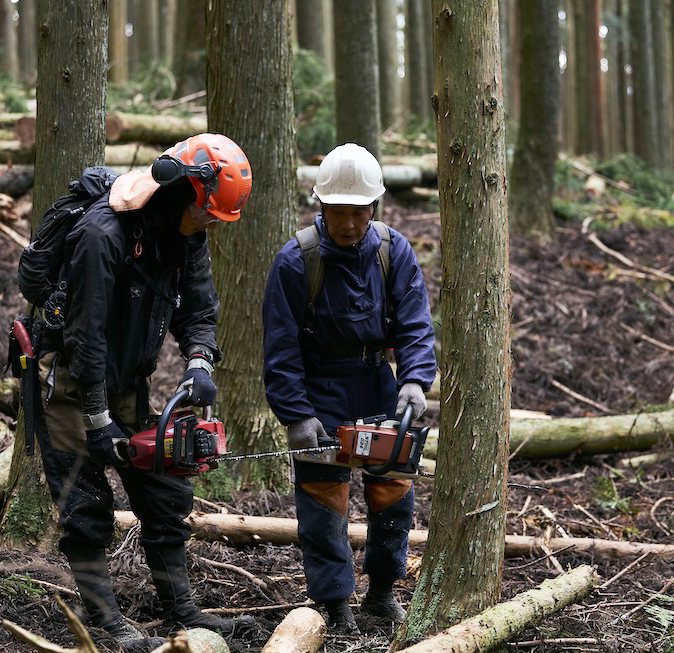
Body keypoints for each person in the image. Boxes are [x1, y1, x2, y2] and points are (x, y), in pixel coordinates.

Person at [32, 133, 256, 652]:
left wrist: (199, 360)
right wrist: (96, 418)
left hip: (128, 382)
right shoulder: (103, 234)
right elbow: (84, 335)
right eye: (205, 214)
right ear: (181, 193)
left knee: (165, 489)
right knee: (85, 504)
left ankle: (180, 607)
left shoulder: (186, 235)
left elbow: (198, 308)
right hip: (70, 380)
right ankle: (105, 619)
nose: (207, 226)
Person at [262, 143, 437, 634]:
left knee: (394, 493)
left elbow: (415, 325)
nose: (349, 224)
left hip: (379, 386)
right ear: (321, 207)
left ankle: (382, 594)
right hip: (320, 392)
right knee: (323, 504)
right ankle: (335, 604)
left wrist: (416, 380)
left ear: (374, 208)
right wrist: (296, 414)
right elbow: (280, 348)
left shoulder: (392, 251)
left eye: (358, 213)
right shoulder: (296, 262)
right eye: (338, 213)